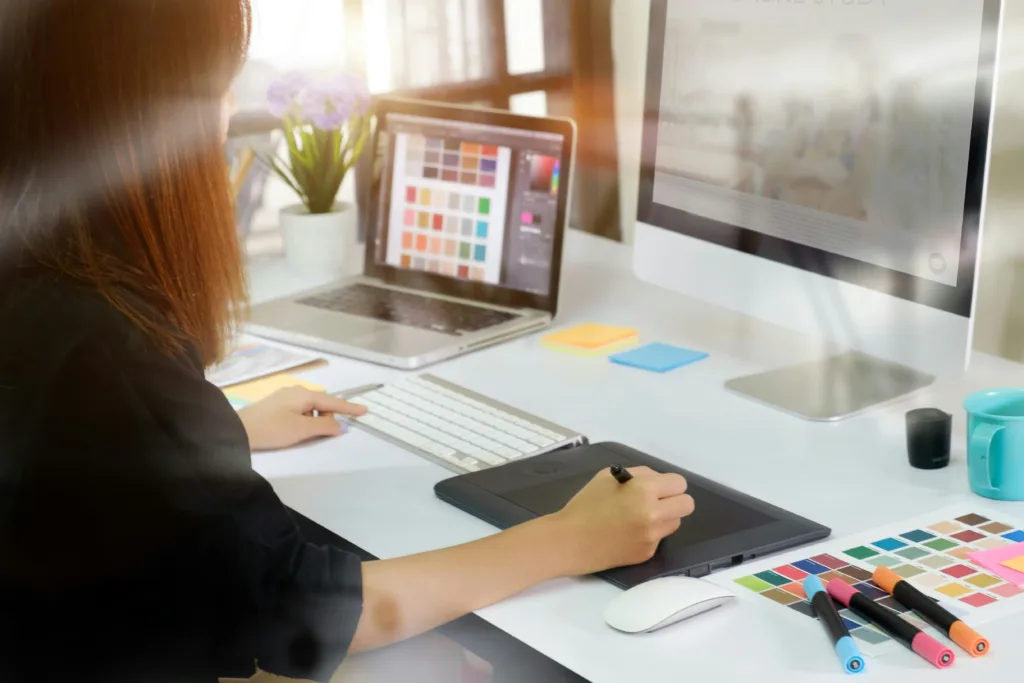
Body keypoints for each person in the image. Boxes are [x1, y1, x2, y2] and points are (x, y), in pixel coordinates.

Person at [0, 2, 695, 682]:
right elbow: (305, 611)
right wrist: (568, 538)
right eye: (216, 87)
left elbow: (68, 453)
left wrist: (208, 434)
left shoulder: (41, 273)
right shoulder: (112, 337)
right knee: (440, 662)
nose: (226, 114)